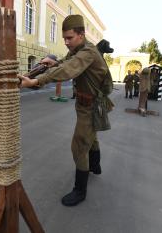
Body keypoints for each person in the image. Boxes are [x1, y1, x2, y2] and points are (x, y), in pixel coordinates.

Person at [18, 15, 110, 206]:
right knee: (91, 137)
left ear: (81, 35)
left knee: (79, 146)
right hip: (85, 104)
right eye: (64, 38)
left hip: (91, 105)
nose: (66, 42)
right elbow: (65, 63)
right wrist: (54, 63)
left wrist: (36, 81)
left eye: (69, 38)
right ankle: (95, 166)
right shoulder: (79, 49)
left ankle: (80, 190)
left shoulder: (88, 53)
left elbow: (69, 69)